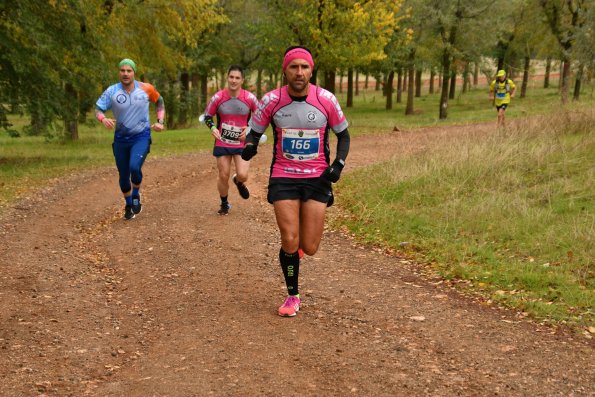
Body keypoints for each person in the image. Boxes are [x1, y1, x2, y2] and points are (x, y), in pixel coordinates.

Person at [241, 46, 350, 317]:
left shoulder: (325, 99)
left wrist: (338, 165)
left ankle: (295, 252)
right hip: (283, 177)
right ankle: (292, 295)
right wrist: (250, 146)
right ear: (285, 70)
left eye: (304, 67)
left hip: (317, 178)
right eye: (294, 67)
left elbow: (344, 136)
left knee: (309, 247)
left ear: (311, 70)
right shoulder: (271, 101)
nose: (299, 72)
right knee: (289, 238)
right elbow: (254, 132)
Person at [95, 58, 165, 220]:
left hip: (141, 137)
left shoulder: (146, 88)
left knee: (134, 166)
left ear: (134, 73)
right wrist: (102, 118)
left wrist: (160, 121)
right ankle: (128, 204)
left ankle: (136, 195)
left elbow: (159, 101)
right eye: (122, 70)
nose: (125, 74)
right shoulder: (112, 91)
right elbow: (98, 109)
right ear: (119, 72)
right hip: (120, 139)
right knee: (123, 176)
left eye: (129, 71)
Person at [202, 65, 259, 215]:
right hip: (223, 140)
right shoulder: (218, 97)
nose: (233, 80)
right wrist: (213, 127)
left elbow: (260, 116)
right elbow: (207, 116)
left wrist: (249, 128)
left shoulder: (249, 98)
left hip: (242, 142)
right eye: (231, 77)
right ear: (227, 78)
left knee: (243, 175)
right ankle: (224, 203)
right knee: (223, 174)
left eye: (237, 78)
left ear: (242, 80)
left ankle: (239, 181)